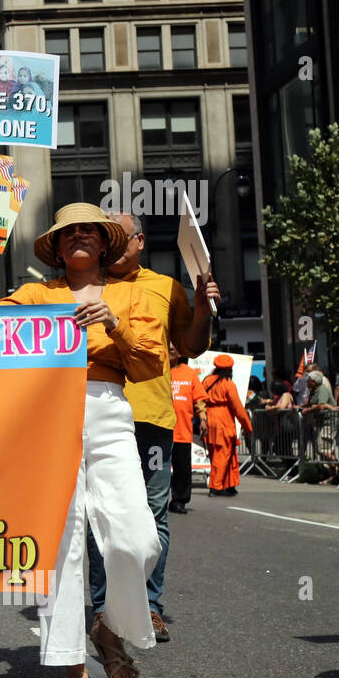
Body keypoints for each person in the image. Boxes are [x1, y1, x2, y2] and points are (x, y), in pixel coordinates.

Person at [0, 205, 163, 678]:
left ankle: (109, 628)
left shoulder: (130, 295)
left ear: (103, 242)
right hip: (48, 414)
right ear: (56, 244)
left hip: (109, 413)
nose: (78, 237)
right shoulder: (37, 295)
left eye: (87, 231)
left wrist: (115, 325)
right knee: (64, 543)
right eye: (67, 231)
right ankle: (74, 667)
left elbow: (150, 364)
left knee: (136, 540)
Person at [87, 211, 216, 651]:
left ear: (139, 240)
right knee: (100, 518)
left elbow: (193, 346)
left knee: (154, 515)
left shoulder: (165, 287)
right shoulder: (83, 282)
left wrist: (202, 307)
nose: (111, 239)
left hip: (152, 418)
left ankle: (149, 606)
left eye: (119, 233)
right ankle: (105, 608)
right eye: (105, 233)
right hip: (98, 416)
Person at [202, 355, 253, 496]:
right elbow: (238, 408)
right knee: (223, 455)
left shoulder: (206, 381)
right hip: (223, 421)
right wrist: (248, 427)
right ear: (230, 369)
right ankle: (216, 486)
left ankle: (229, 485)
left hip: (209, 419)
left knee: (220, 455)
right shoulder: (228, 384)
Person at [168, 348, 208, 516]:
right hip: (160, 429)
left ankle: (179, 501)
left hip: (183, 430)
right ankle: (156, 501)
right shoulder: (158, 369)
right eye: (168, 346)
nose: (170, 349)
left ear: (181, 353)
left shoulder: (189, 373)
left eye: (174, 347)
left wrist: (203, 419)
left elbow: (199, 399)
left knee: (182, 469)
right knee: (156, 469)